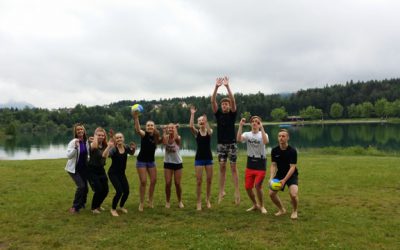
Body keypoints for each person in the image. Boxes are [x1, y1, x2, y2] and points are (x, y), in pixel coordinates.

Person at [211, 76, 240, 204]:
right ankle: (221, 191)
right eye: (223, 104)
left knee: (233, 167)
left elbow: (233, 100)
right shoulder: (218, 115)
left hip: (232, 144)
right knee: (222, 167)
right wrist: (216, 87)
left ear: (229, 106)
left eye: (226, 104)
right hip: (221, 145)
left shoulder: (232, 114)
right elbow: (212, 101)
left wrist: (227, 86)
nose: (224, 105)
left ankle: (237, 191)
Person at [237, 116, 269, 214]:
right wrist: (240, 126)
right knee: (248, 187)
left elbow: (265, 142)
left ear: (260, 124)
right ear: (250, 124)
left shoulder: (263, 134)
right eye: (253, 122)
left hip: (261, 162)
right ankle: (255, 204)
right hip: (250, 162)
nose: (255, 123)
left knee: (258, 186)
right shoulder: (247, 134)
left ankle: (262, 206)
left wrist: (262, 128)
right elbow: (238, 139)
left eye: (257, 122)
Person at [133, 111, 162, 211]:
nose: (150, 127)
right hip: (141, 161)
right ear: (146, 127)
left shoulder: (156, 137)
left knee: (153, 181)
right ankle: (141, 203)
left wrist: (170, 131)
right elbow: (137, 129)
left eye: (151, 125)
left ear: (154, 127)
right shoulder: (144, 135)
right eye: (148, 125)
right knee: (144, 181)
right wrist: (136, 118)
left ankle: (150, 200)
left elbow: (164, 141)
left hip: (151, 162)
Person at [102, 132, 136, 217]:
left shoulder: (126, 147)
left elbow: (131, 153)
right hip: (113, 173)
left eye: (120, 137)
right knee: (119, 191)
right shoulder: (114, 149)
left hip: (121, 173)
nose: (119, 139)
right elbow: (104, 155)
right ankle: (113, 209)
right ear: (115, 140)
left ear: (123, 138)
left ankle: (121, 206)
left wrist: (134, 148)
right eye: (117, 138)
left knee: (127, 191)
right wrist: (109, 146)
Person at [269, 129, 299, 219]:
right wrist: (271, 177)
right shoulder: (274, 150)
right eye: (279, 136)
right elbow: (273, 165)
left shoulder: (292, 151)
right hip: (280, 174)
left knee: (293, 194)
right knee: (271, 194)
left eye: (283, 136)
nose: (281, 138)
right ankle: (282, 209)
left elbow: (292, 167)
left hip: (291, 174)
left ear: (287, 138)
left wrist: (285, 180)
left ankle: (294, 211)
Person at [190, 106, 213, 211]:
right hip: (199, 158)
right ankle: (198, 202)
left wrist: (206, 121)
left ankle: (207, 200)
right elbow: (191, 126)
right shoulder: (196, 133)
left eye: (202, 120)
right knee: (199, 181)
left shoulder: (209, 131)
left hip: (208, 158)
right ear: (197, 123)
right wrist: (192, 114)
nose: (201, 122)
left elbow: (209, 130)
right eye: (199, 121)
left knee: (209, 180)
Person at [65, 123, 90, 214]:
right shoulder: (73, 142)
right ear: (75, 132)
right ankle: (75, 207)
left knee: (86, 188)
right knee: (81, 186)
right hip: (73, 169)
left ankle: (82, 203)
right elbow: (69, 156)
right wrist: (75, 147)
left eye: (81, 129)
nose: (80, 131)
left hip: (83, 168)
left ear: (84, 131)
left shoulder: (85, 141)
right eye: (78, 130)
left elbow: (87, 154)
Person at [87, 127, 109, 214]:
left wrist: (109, 146)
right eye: (99, 135)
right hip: (92, 170)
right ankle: (93, 208)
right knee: (99, 189)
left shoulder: (104, 145)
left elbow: (104, 157)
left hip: (101, 170)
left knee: (105, 190)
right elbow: (95, 147)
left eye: (102, 135)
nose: (101, 137)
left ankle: (98, 205)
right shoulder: (92, 143)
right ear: (95, 135)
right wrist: (95, 137)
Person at [162, 123, 184, 209]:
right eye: (169, 128)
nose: (170, 129)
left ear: (174, 129)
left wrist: (175, 129)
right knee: (168, 183)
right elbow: (164, 143)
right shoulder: (166, 137)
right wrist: (164, 131)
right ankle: (167, 201)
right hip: (168, 163)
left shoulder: (178, 137)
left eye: (172, 128)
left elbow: (176, 139)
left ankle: (180, 201)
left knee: (177, 183)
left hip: (178, 163)